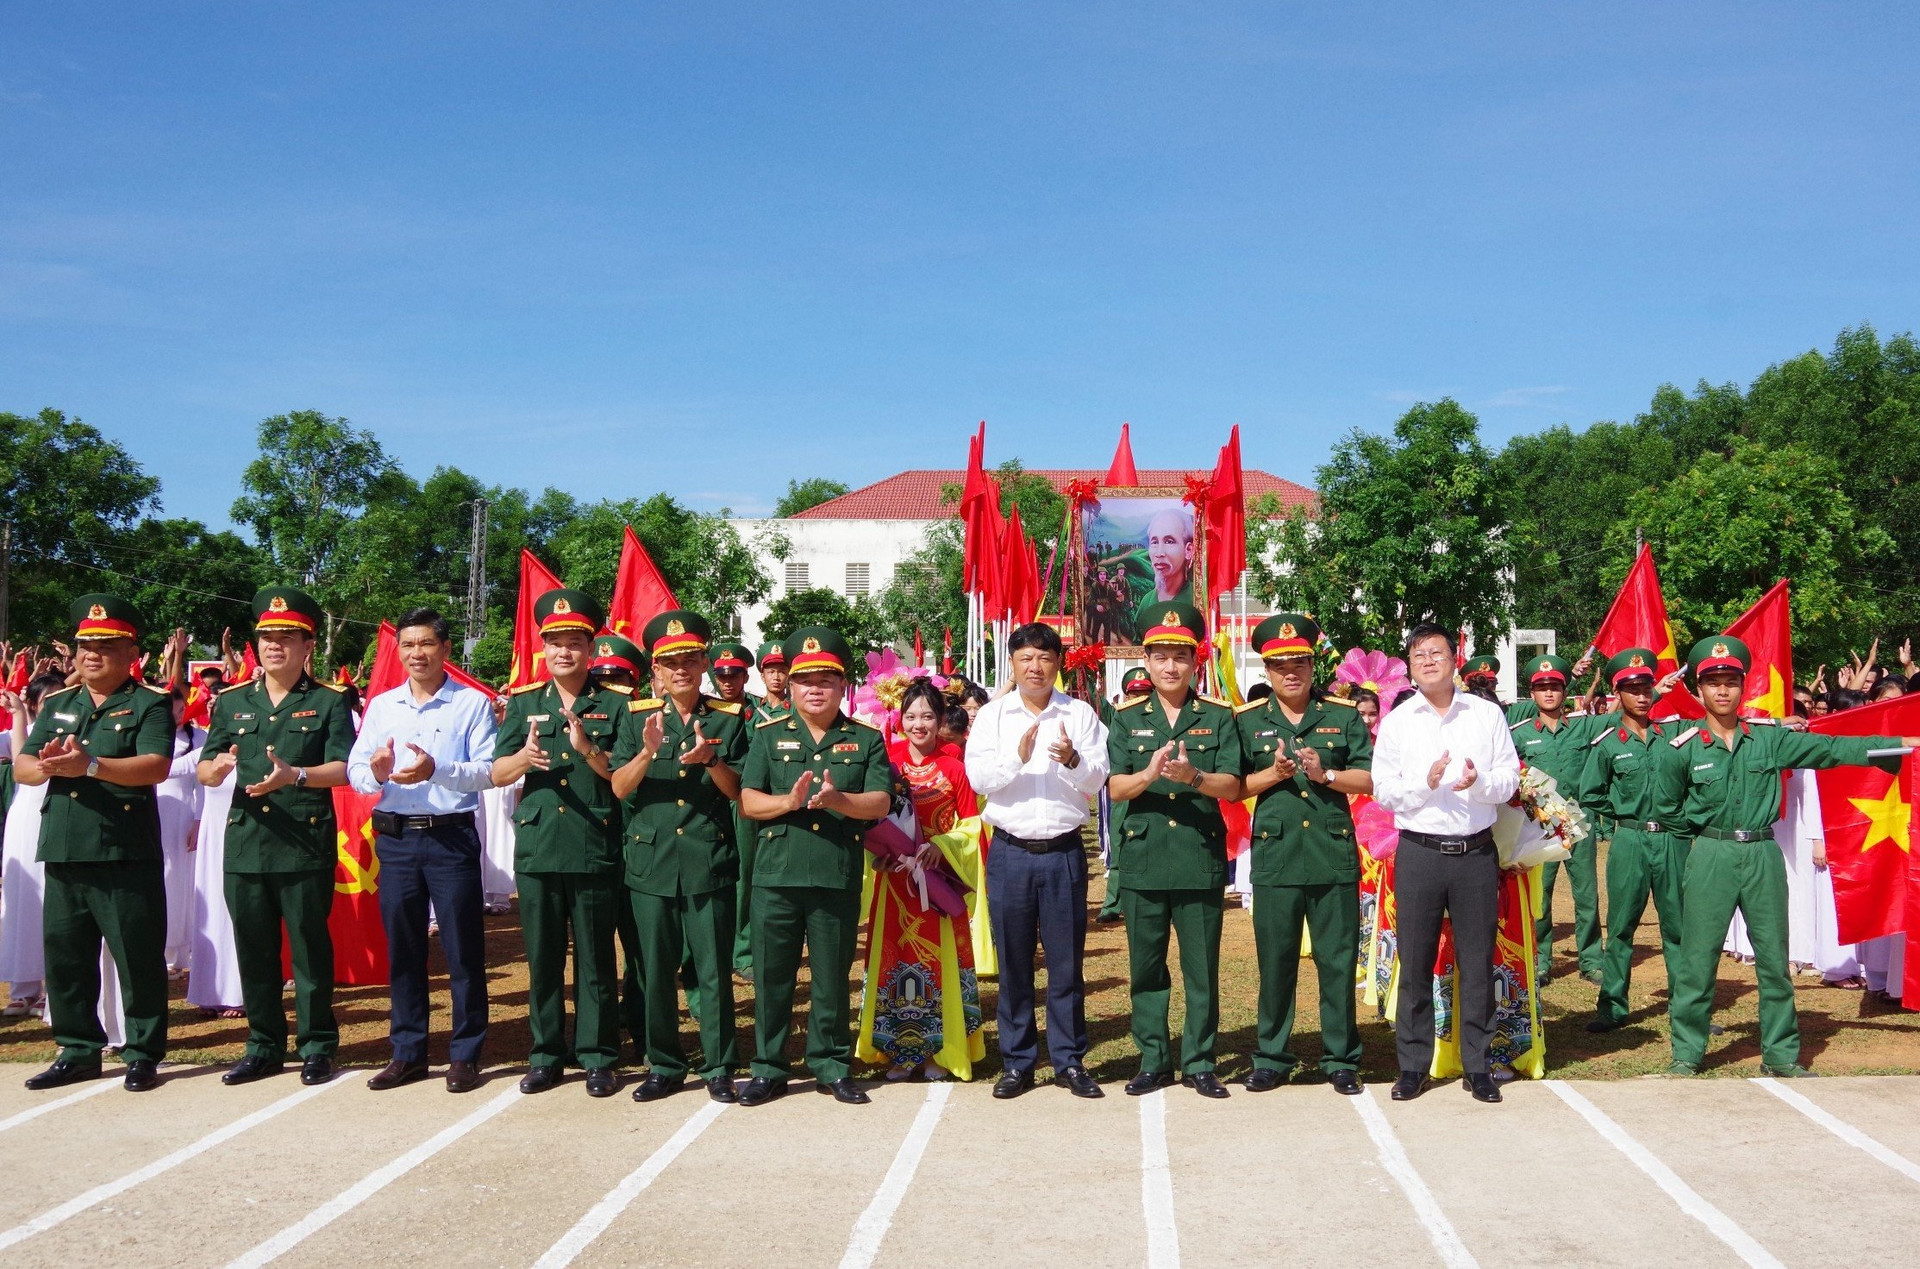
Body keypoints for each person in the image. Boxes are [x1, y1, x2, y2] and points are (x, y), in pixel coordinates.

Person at [1664, 635, 1920, 1077]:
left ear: (1743, 687)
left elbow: (1832, 749)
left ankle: (1780, 1054)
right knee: (1697, 959)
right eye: (1713, 682)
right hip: (1711, 853)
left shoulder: (1769, 741)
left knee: (1773, 960)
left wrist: (1902, 743)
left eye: (1730, 681)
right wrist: (1699, 845)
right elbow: (1668, 808)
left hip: (1763, 853)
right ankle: (1687, 1053)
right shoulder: (1683, 747)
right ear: (1700, 690)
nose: (1722, 691)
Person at [15, 595, 176, 1092]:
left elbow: (156, 765)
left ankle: (143, 1051)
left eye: (105, 646)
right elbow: (23, 767)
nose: (91, 654)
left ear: (131, 653)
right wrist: (47, 766)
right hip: (64, 845)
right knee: (66, 957)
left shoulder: (149, 703)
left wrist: (89, 765)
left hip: (124, 850)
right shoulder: (59, 704)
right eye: (85, 645)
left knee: (137, 956)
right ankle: (78, 1049)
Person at [198, 587, 355, 1086]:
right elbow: (206, 762)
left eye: (286, 637)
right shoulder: (231, 701)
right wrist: (214, 769)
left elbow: (344, 769)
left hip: (303, 839)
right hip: (246, 839)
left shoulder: (329, 701)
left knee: (309, 949)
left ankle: (317, 1046)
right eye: (267, 636)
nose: (274, 645)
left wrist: (297, 776)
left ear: (308, 644)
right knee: (254, 948)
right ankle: (263, 1044)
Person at [736, 626, 891, 1106]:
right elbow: (748, 801)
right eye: (805, 680)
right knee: (773, 977)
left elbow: (882, 802)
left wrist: (840, 800)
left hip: (833, 873)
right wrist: (789, 801)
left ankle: (831, 1064)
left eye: (826, 679)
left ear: (843, 685)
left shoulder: (864, 739)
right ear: (792, 685)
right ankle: (769, 1067)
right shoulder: (766, 735)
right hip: (776, 876)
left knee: (830, 977)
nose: (814, 688)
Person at [348, 608, 499, 1093]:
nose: (417, 653)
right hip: (395, 838)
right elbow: (355, 772)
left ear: (445, 649)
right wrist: (376, 770)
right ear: (400, 651)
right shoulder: (383, 706)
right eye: (409, 645)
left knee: (462, 949)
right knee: (405, 949)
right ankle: (408, 1051)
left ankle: (465, 1054)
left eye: (427, 644)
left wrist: (437, 770)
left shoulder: (471, 704)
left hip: (449, 836)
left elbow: (486, 771)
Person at [1370, 622, 1521, 1105]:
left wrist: (1476, 783)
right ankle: (1412, 1066)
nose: (1428, 660)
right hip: (1420, 853)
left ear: (1455, 658)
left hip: (1475, 852)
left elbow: (1509, 778)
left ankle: (1478, 1066)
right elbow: (1385, 790)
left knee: (1477, 962)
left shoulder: (1484, 715)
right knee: (1414, 961)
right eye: (1418, 655)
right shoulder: (1398, 721)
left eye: (1436, 652)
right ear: (1410, 666)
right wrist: (1426, 783)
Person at [491, 589, 628, 1098]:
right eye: (554, 644)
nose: (563, 653)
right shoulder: (525, 702)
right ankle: (546, 1054)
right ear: (542, 650)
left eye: (573, 643)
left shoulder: (615, 705)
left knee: (595, 958)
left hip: (594, 843)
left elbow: (623, 775)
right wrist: (525, 758)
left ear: (590, 650)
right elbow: (497, 772)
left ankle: (597, 1056)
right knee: (543, 958)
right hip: (540, 846)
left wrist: (586, 748)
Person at [964, 622, 1109, 1100]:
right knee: (1014, 963)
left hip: (1064, 852)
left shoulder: (1080, 714)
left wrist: (1071, 759)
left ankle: (1069, 1062)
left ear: (1057, 664)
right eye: (1025, 658)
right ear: (1013, 663)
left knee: (1067, 965)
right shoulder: (993, 716)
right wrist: (1017, 756)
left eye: (1045, 658)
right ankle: (1018, 1062)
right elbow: (980, 778)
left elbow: (1096, 779)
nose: (1035, 667)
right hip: (1010, 852)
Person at [611, 609, 749, 1103]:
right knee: (653, 968)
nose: (681, 669)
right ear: (656, 671)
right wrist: (647, 753)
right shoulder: (635, 717)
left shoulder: (729, 720)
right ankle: (664, 1063)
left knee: (711, 969)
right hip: (650, 863)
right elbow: (619, 787)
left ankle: (718, 1064)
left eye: (690, 659)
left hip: (706, 860)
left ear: (705, 662)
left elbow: (739, 792)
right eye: (670, 663)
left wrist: (710, 759)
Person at [1233, 614, 1374, 1095]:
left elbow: (1369, 778)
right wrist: (1272, 774)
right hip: (1276, 859)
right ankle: (1271, 1056)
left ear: (1314, 667)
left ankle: (1340, 1058)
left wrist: (1325, 774)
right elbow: (1235, 788)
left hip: (1331, 855)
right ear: (1267, 671)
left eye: (1299, 663)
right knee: (1276, 962)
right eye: (1279, 665)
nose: (1290, 672)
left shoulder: (1343, 714)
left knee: (1337, 961)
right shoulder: (1248, 720)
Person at [1106, 602, 1242, 1100]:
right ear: (1145, 660)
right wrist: (1149, 775)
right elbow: (1116, 788)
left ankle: (1200, 1061)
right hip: (1144, 858)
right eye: (1160, 656)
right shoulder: (1125, 717)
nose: (1170, 666)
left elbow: (1232, 786)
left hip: (1197, 854)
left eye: (1180, 657)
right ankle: (1154, 1060)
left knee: (1201, 967)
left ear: (1195, 661)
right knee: (1146, 967)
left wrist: (1194, 777)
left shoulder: (1218, 716)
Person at [858, 677, 986, 1081]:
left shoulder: (955, 767)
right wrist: (878, 856)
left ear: (940, 719)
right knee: (895, 963)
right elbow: (869, 815)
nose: (919, 724)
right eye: (911, 716)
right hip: (896, 882)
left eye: (928, 716)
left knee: (938, 964)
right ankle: (898, 1051)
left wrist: (942, 846)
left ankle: (940, 1051)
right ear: (899, 719)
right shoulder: (886, 763)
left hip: (937, 881)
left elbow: (972, 824)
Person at [1581, 649, 1691, 1033]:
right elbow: (1590, 793)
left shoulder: (1674, 735)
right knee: (1622, 925)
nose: (1642, 695)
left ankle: (1687, 1008)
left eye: (1646, 687)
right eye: (1633, 689)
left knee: (1678, 927)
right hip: (1629, 841)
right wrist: (1623, 812)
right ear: (1619, 693)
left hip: (1671, 842)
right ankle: (1612, 1006)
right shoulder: (1610, 743)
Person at [1510, 654, 1610, 985]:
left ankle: (1592, 960)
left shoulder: (1583, 726)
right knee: (1541, 894)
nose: (1549, 694)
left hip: (1577, 822)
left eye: (1555, 687)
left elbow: (1624, 714)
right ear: (1533, 694)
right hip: (1540, 826)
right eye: (1542, 688)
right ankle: (1540, 961)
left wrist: (1660, 691)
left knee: (1586, 894)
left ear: (1565, 691)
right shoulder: (1520, 735)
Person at [1, 675, 61, 1019]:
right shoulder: (28, 728)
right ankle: (24, 987)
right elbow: (19, 759)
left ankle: (52, 988)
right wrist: (20, 714)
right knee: (23, 900)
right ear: (35, 703)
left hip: (57, 815)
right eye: (46, 698)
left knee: (53, 901)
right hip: (26, 819)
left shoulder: (76, 726)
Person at [1095, 667, 1154, 924]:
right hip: (1125, 792)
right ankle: (1112, 904)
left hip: (1155, 791)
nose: (1139, 698)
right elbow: (1095, 698)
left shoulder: (1165, 716)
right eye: (1134, 694)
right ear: (1125, 695)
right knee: (1119, 846)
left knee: (1157, 848)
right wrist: (1086, 668)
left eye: (1145, 693)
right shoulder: (1118, 716)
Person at [157, 682, 204, 976]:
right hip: (154, 809)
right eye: (172, 709)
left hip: (184, 813)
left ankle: (182, 951)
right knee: (161, 878)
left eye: (181, 708)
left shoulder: (198, 736)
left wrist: (199, 819)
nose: (178, 714)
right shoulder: (146, 736)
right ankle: (160, 949)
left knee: (183, 882)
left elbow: (203, 781)